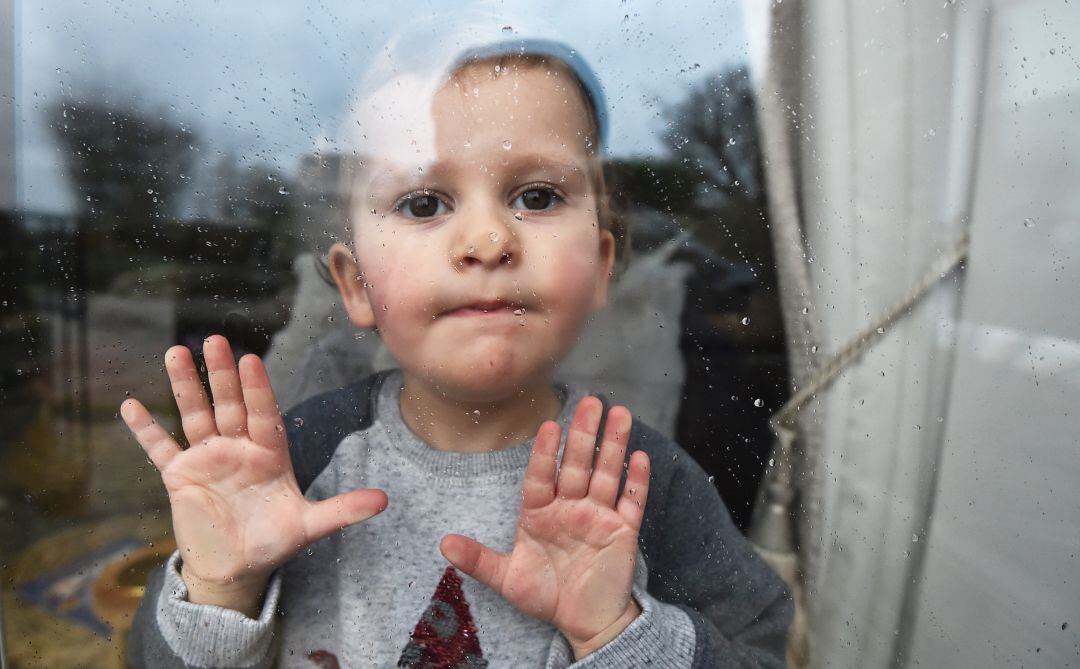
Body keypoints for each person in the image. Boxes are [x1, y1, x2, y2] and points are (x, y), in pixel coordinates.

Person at [121, 17, 792, 669]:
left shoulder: (640, 482)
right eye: (422, 204)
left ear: (601, 264)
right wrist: (221, 588)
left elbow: (760, 646)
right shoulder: (298, 459)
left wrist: (617, 632)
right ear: (355, 286)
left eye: (536, 195)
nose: (488, 241)